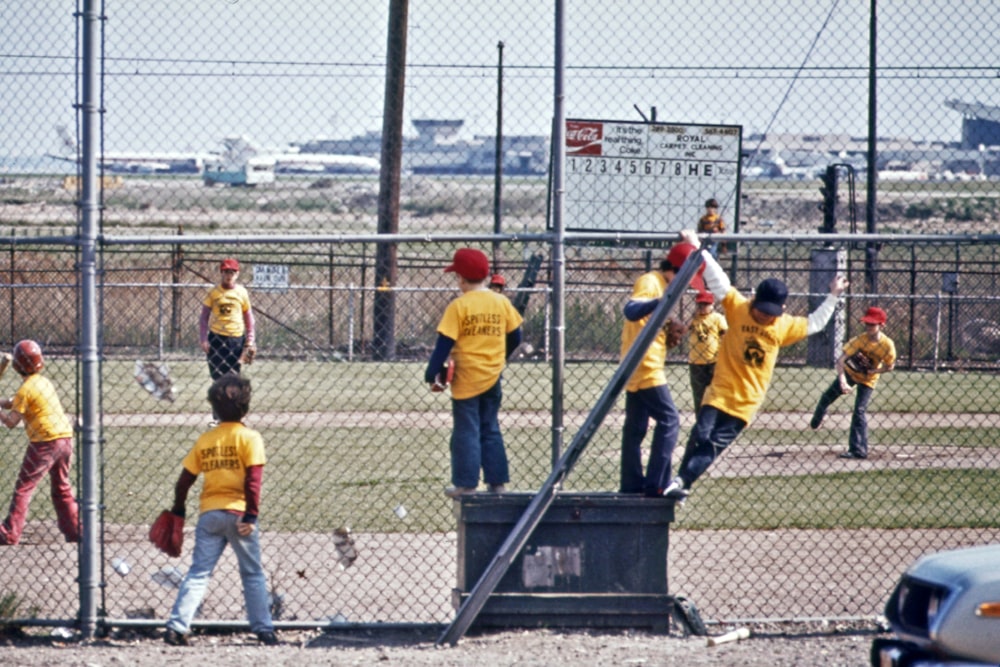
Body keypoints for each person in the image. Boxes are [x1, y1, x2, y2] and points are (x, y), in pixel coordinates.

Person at [663, 233, 849, 501]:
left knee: (712, 446)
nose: (764, 314)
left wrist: (833, 295)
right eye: (761, 308)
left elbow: (816, 322)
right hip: (719, 392)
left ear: (783, 309)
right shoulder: (738, 307)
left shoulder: (784, 326)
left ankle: (682, 483)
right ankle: (681, 482)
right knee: (700, 435)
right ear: (753, 299)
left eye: (771, 311)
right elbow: (717, 277)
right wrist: (695, 246)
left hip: (746, 403)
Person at [164, 373, 277, 647]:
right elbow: (253, 482)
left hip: (210, 515)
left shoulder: (207, 439)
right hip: (240, 515)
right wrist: (251, 515)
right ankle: (263, 629)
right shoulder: (250, 438)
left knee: (199, 573)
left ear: (214, 408)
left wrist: (178, 509)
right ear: (246, 407)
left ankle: (177, 626)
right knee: (252, 573)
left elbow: (184, 481)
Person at [424, 248, 524, 498]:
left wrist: (431, 372)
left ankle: (466, 485)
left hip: (466, 378)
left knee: (466, 430)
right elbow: (516, 335)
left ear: (461, 278)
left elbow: (444, 344)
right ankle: (497, 483)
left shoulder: (459, 306)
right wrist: (501, 357)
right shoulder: (501, 302)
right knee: (490, 428)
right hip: (493, 375)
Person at [619, 240, 706, 497]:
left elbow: (649, 319)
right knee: (670, 420)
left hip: (639, 363)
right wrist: (660, 303)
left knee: (635, 428)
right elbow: (632, 310)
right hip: (646, 364)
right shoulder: (651, 281)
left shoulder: (663, 284)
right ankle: (657, 483)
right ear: (675, 269)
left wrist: (670, 323)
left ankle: (631, 484)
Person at [0, 340, 80, 545]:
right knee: (62, 487)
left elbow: (10, 421)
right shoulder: (43, 382)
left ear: (17, 366)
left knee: (23, 488)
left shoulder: (26, 390)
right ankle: (76, 531)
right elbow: (14, 401)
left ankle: (10, 533)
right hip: (64, 438)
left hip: (45, 442)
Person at [810, 306, 897, 459]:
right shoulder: (859, 340)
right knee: (826, 397)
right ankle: (816, 422)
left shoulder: (887, 345)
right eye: (867, 323)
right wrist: (843, 381)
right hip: (850, 374)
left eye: (873, 324)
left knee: (859, 411)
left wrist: (875, 371)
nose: (869, 326)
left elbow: (890, 367)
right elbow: (840, 360)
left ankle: (858, 450)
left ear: (882, 325)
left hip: (868, 379)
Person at [199, 258, 256, 380]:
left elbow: (248, 317)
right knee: (217, 377)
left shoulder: (242, 292)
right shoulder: (213, 292)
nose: (229, 275)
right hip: (216, 338)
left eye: (232, 272)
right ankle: (220, 398)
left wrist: (250, 339)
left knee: (233, 376)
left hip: (235, 339)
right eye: (226, 272)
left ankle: (231, 399)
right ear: (221, 273)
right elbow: (204, 317)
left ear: (237, 274)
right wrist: (204, 339)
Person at [687, 291, 728, 411]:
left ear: (712, 305)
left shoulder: (717, 318)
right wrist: (692, 316)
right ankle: (700, 419)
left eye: (706, 304)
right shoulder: (694, 319)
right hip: (695, 362)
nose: (703, 308)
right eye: (700, 305)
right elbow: (684, 329)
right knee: (698, 395)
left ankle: (715, 419)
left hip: (713, 361)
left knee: (715, 394)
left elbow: (725, 336)